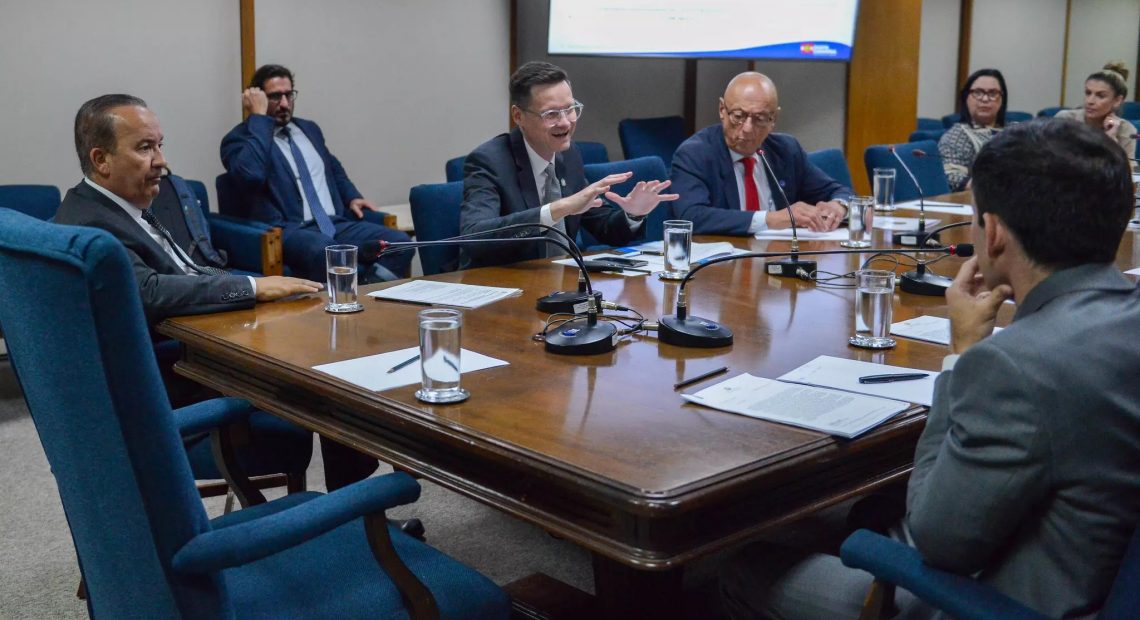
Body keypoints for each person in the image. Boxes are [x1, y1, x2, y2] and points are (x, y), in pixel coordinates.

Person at [719, 118, 1140, 619]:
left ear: (993, 233)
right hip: (1096, 575)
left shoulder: (1014, 366)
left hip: (1000, 601)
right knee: (858, 515)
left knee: (738, 566)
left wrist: (962, 356)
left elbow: (937, 539)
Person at [56, 94, 384, 493]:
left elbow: (186, 272)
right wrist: (253, 286)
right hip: (181, 383)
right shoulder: (92, 225)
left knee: (322, 337)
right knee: (330, 372)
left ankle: (355, 504)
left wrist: (256, 291)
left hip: (191, 351)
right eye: (144, 148)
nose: (161, 160)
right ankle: (362, 508)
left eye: (160, 145)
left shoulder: (110, 207)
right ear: (101, 159)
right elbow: (149, 292)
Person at [458, 61, 677, 270]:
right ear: (518, 116)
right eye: (551, 114)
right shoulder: (490, 161)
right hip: (501, 282)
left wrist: (633, 213)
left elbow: (604, 228)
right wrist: (558, 209)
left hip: (559, 282)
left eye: (570, 109)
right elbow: (474, 237)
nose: (565, 122)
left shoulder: (569, 155)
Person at [220, 64, 412, 283]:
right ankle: (348, 294)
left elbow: (331, 167)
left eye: (288, 95)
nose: (284, 104)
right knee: (326, 251)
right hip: (289, 230)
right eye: (275, 97)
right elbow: (250, 175)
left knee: (399, 243)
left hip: (334, 224)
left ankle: (368, 289)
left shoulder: (308, 129)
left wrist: (352, 196)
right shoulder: (239, 139)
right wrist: (259, 118)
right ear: (259, 98)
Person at [670, 72, 854, 236]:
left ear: (774, 119)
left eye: (760, 119)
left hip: (777, 254)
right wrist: (771, 219)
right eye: (738, 116)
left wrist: (838, 206)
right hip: (726, 257)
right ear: (722, 110)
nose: (748, 129)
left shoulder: (786, 150)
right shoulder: (695, 154)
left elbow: (839, 191)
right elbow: (691, 216)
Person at [938, 68, 1008, 191]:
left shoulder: (1017, 131)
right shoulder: (956, 136)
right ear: (966, 98)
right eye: (978, 92)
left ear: (1002, 99)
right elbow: (951, 178)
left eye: (993, 94)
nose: (985, 99)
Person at [1056, 62, 1137, 157]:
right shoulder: (1065, 119)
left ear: (1117, 101)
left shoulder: (1125, 129)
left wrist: (1111, 139)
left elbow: (1128, 166)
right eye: (1088, 93)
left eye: (1101, 96)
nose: (1090, 101)